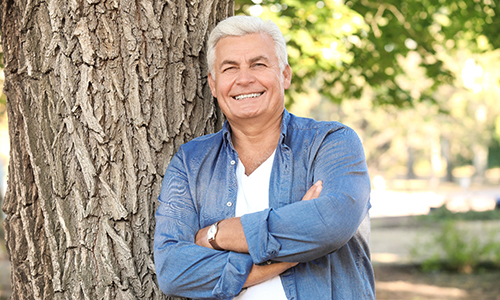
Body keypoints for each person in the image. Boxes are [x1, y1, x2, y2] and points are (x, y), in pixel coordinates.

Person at [154, 15, 374, 300]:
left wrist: (218, 234)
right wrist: (292, 253)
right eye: (230, 68)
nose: (244, 79)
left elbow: (332, 222)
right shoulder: (190, 162)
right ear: (213, 83)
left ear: (285, 74)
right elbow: (174, 272)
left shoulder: (331, 143)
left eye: (258, 64)